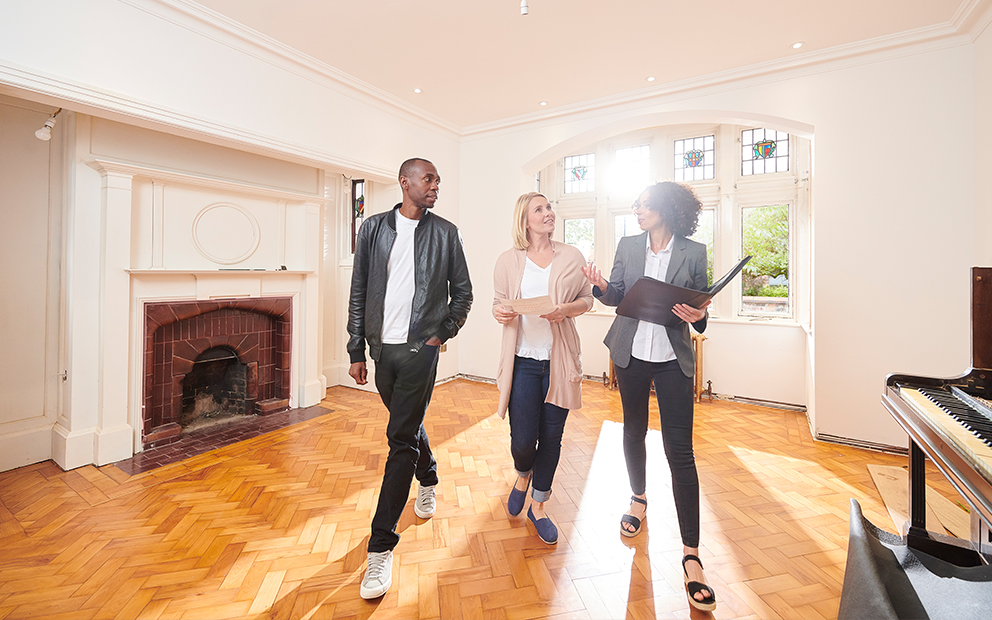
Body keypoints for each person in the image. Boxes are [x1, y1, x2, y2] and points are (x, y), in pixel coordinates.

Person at [581, 181, 717, 612]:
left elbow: (700, 311)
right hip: (630, 354)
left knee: (681, 451)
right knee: (633, 432)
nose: (637, 210)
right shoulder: (628, 243)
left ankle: (691, 555)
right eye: (636, 205)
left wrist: (700, 315)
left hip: (672, 360)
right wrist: (601, 285)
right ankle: (638, 499)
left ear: (666, 209)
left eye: (644, 205)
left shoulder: (694, 252)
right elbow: (619, 297)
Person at [348, 158, 473, 600]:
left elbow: (464, 293)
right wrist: (356, 348)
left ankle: (380, 546)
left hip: (422, 350)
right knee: (407, 424)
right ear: (406, 183)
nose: (436, 185)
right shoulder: (374, 229)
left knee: (398, 438)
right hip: (383, 351)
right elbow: (359, 288)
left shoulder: (446, 233)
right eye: (429, 179)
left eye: (438, 179)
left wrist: (442, 333)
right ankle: (431, 475)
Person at [492, 192, 592, 545]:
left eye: (549, 207)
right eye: (540, 209)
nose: (549, 213)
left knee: (551, 437)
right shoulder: (508, 261)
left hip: (558, 362)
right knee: (522, 440)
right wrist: (500, 311)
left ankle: (539, 505)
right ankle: (523, 474)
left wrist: (565, 310)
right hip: (522, 362)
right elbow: (498, 304)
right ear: (525, 220)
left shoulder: (572, 255)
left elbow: (587, 298)